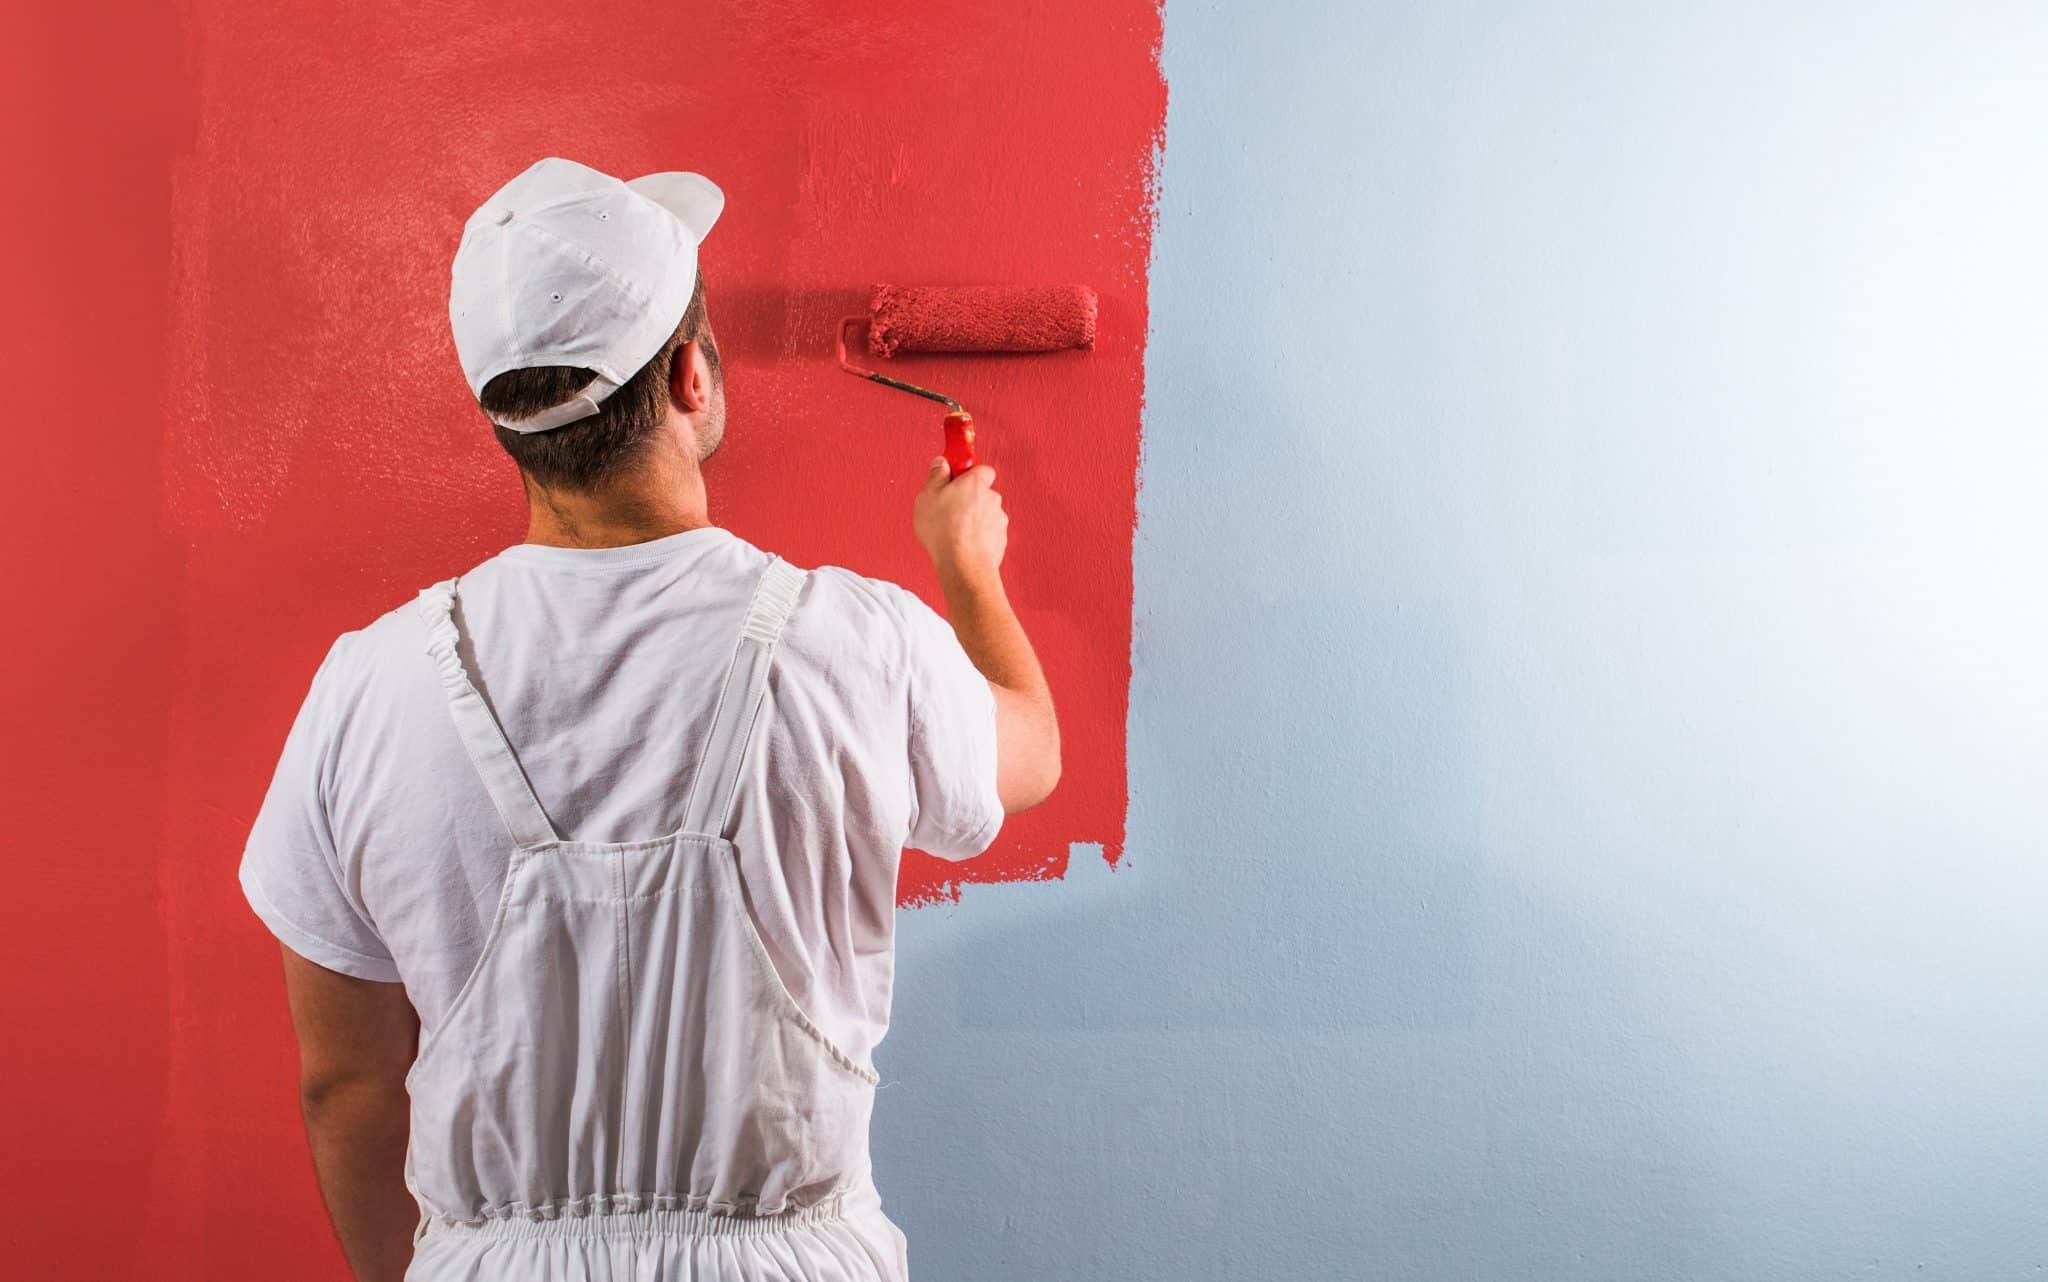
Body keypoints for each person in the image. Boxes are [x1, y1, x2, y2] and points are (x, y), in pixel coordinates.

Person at [238, 156, 1062, 1282]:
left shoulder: (366, 686)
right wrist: (968, 571)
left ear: (502, 415)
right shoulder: (856, 639)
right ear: (690, 377)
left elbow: (344, 1080)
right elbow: (1028, 750)